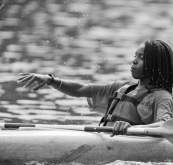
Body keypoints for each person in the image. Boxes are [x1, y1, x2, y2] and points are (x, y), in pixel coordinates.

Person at [17, 39, 173, 137]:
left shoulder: (162, 97)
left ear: (156, 66)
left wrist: (133, 129)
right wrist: (51, 80)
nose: (134, 61)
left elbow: (166, 125)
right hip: (108, 142)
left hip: (134, 147)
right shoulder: (122, 87)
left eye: (142, 58)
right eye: (135, 55)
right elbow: (83, 89)